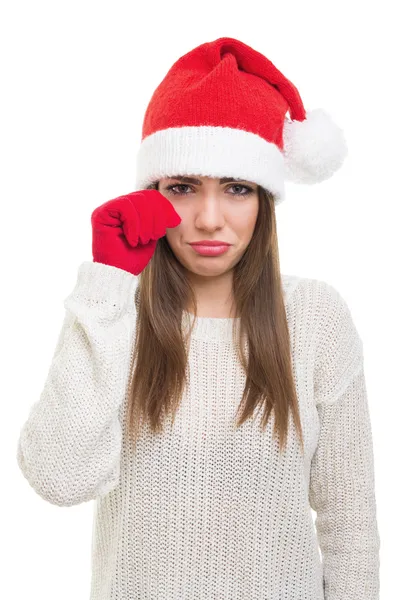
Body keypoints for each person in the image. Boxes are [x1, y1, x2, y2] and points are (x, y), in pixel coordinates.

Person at [16, 36, 380, 599]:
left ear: (264, 201)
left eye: (236, 188)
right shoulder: (116, 315)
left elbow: (350, 530)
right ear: (151, 195)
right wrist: (107, 285)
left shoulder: (314, 318)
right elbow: (60, 477)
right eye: (184, 187)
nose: (210, 218)